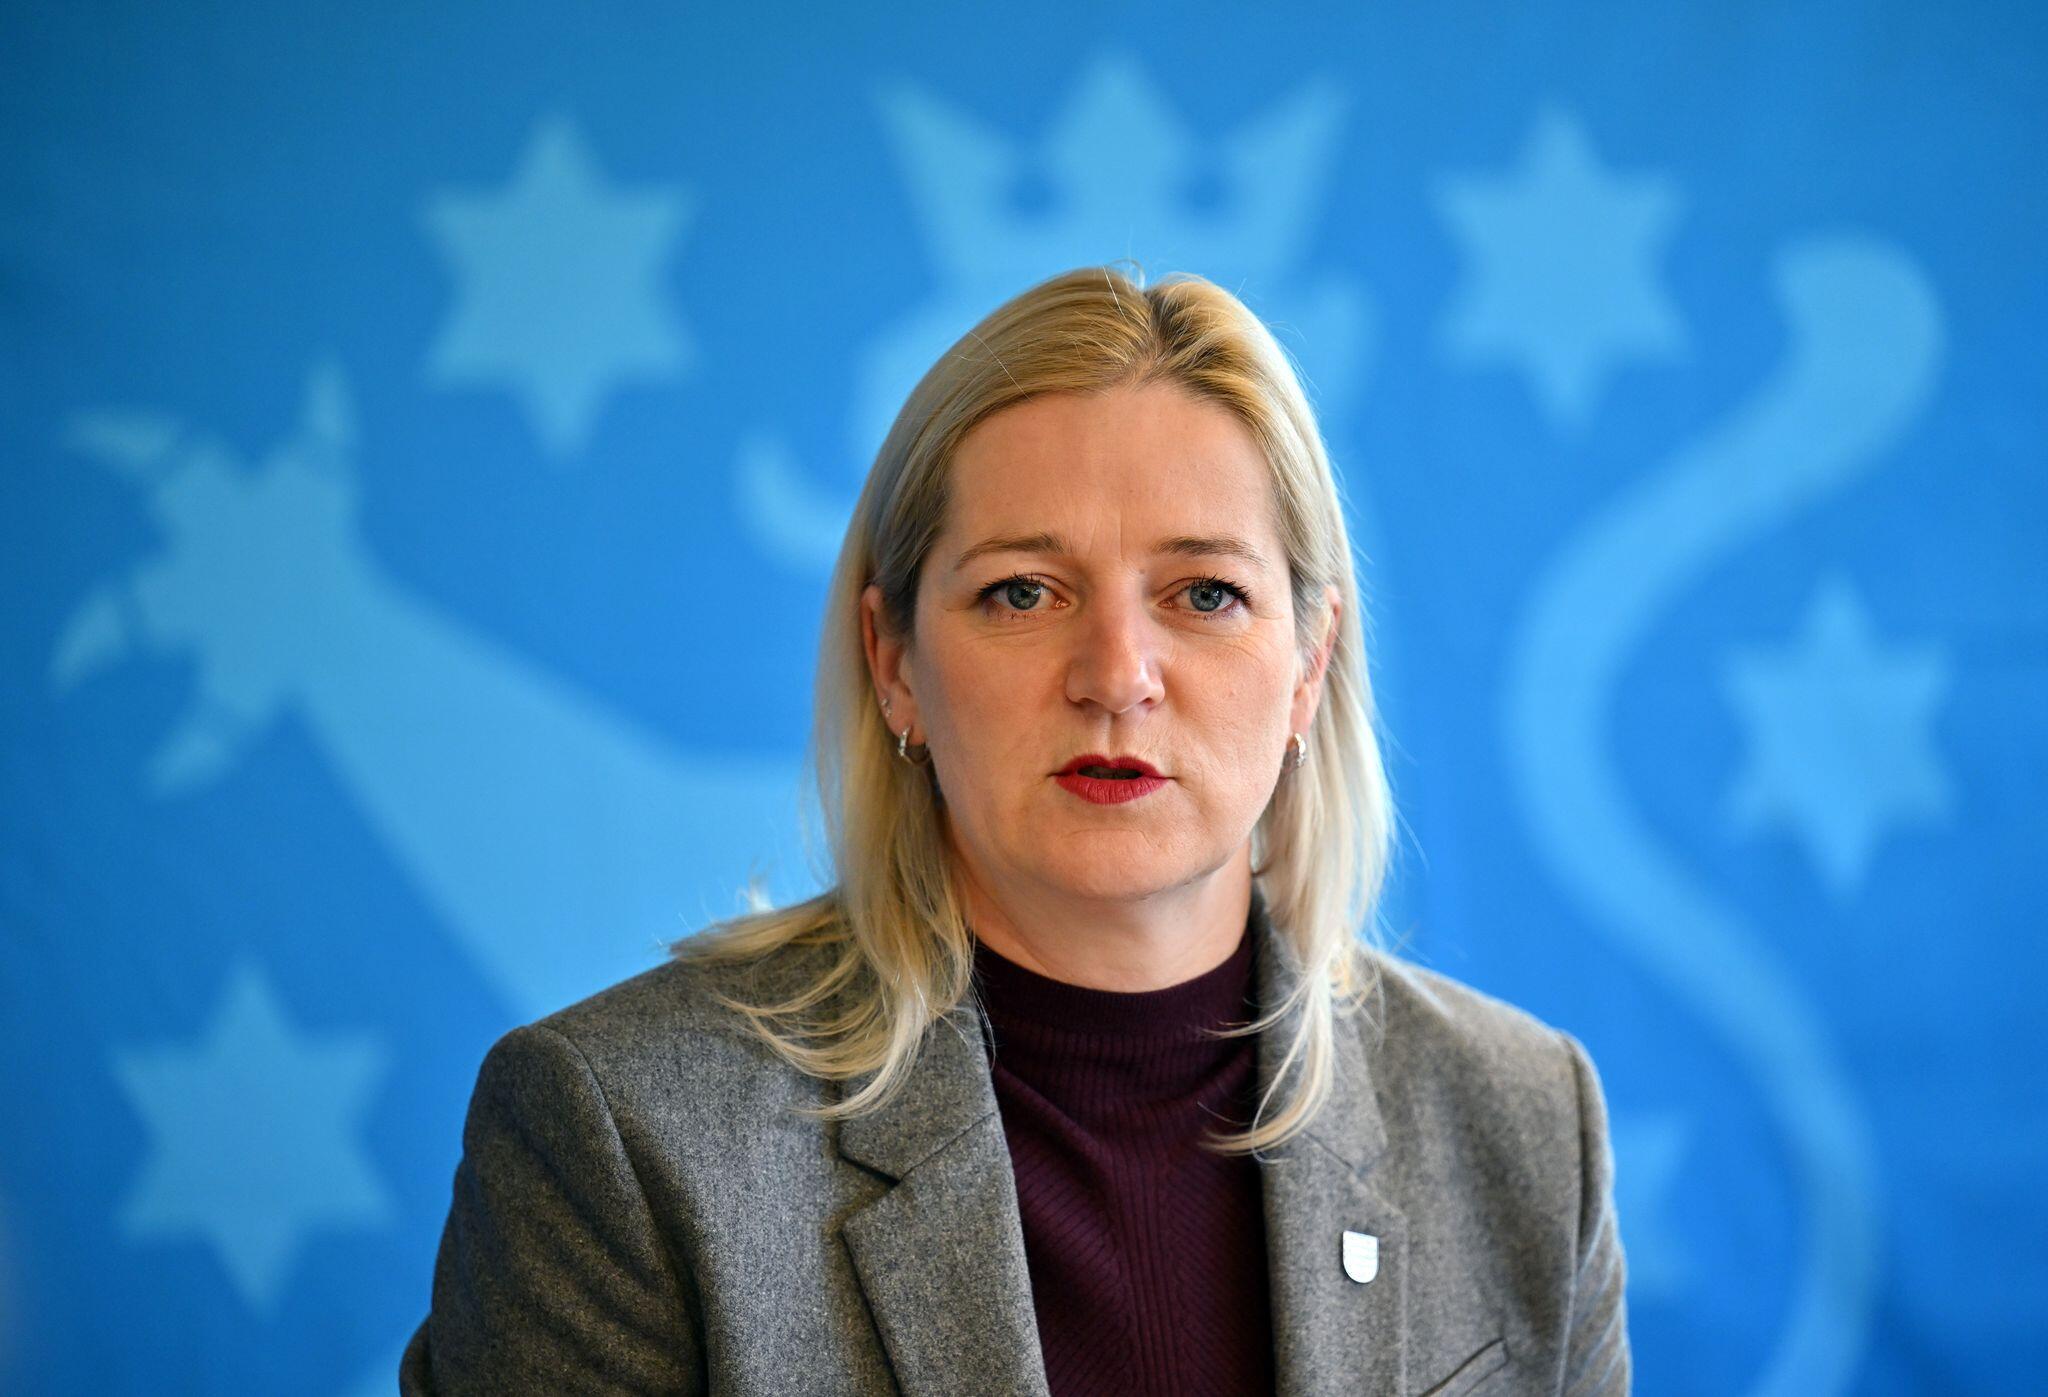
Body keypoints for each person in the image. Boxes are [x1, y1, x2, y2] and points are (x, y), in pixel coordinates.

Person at [399, 265, 1630, 1395]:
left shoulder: (1522, 1120)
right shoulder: (619, 1133)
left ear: (1308, 663)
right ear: (893, 662)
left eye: (1204, 592)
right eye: (1021, 592)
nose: (1115, 675)